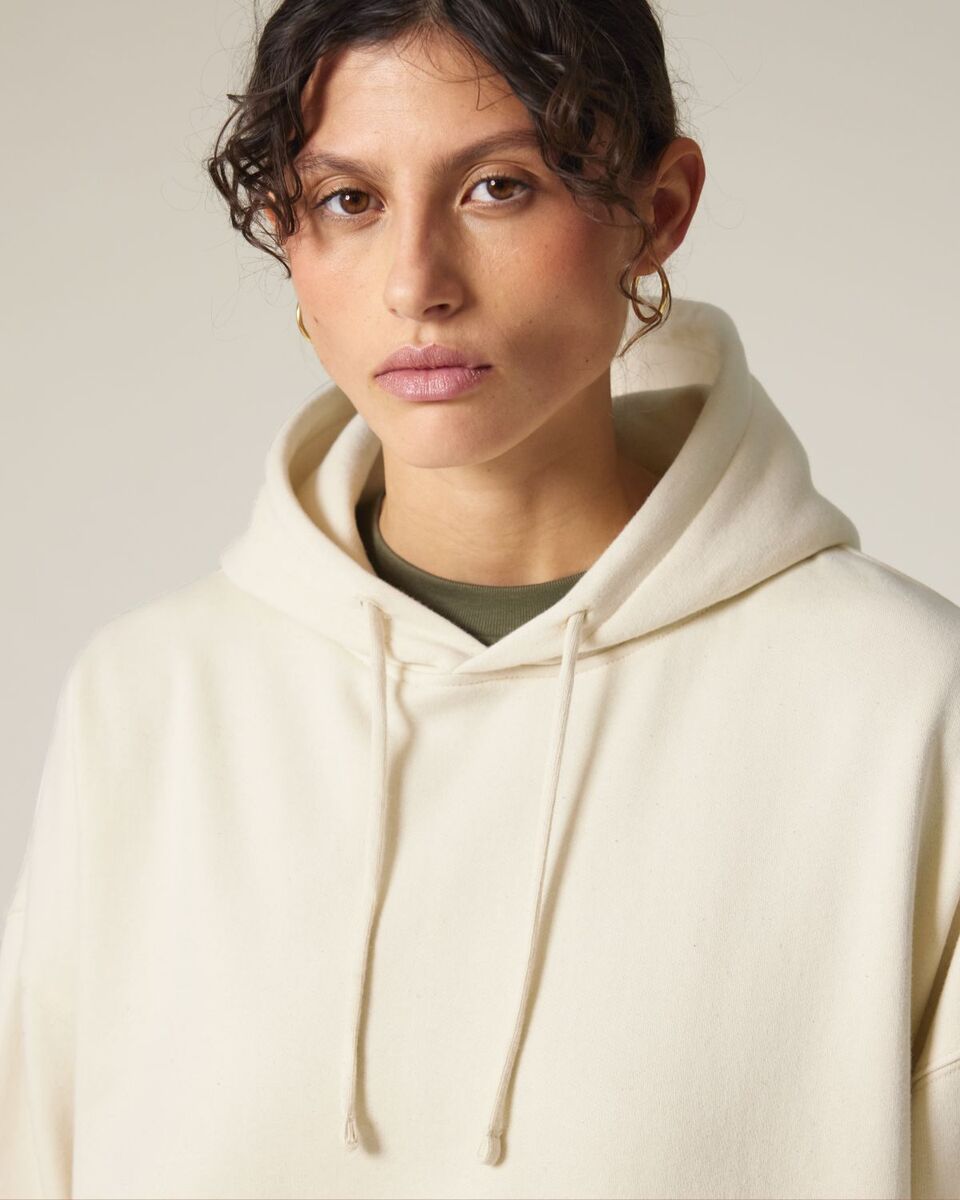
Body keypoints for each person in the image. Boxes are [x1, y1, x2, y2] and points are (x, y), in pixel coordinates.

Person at [2, 2, 958, 1197]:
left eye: (499, 187)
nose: (418, 284)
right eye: (349, 200)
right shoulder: (148, 704)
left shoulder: (905, 708)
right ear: (289, 236)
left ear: (658, 212)